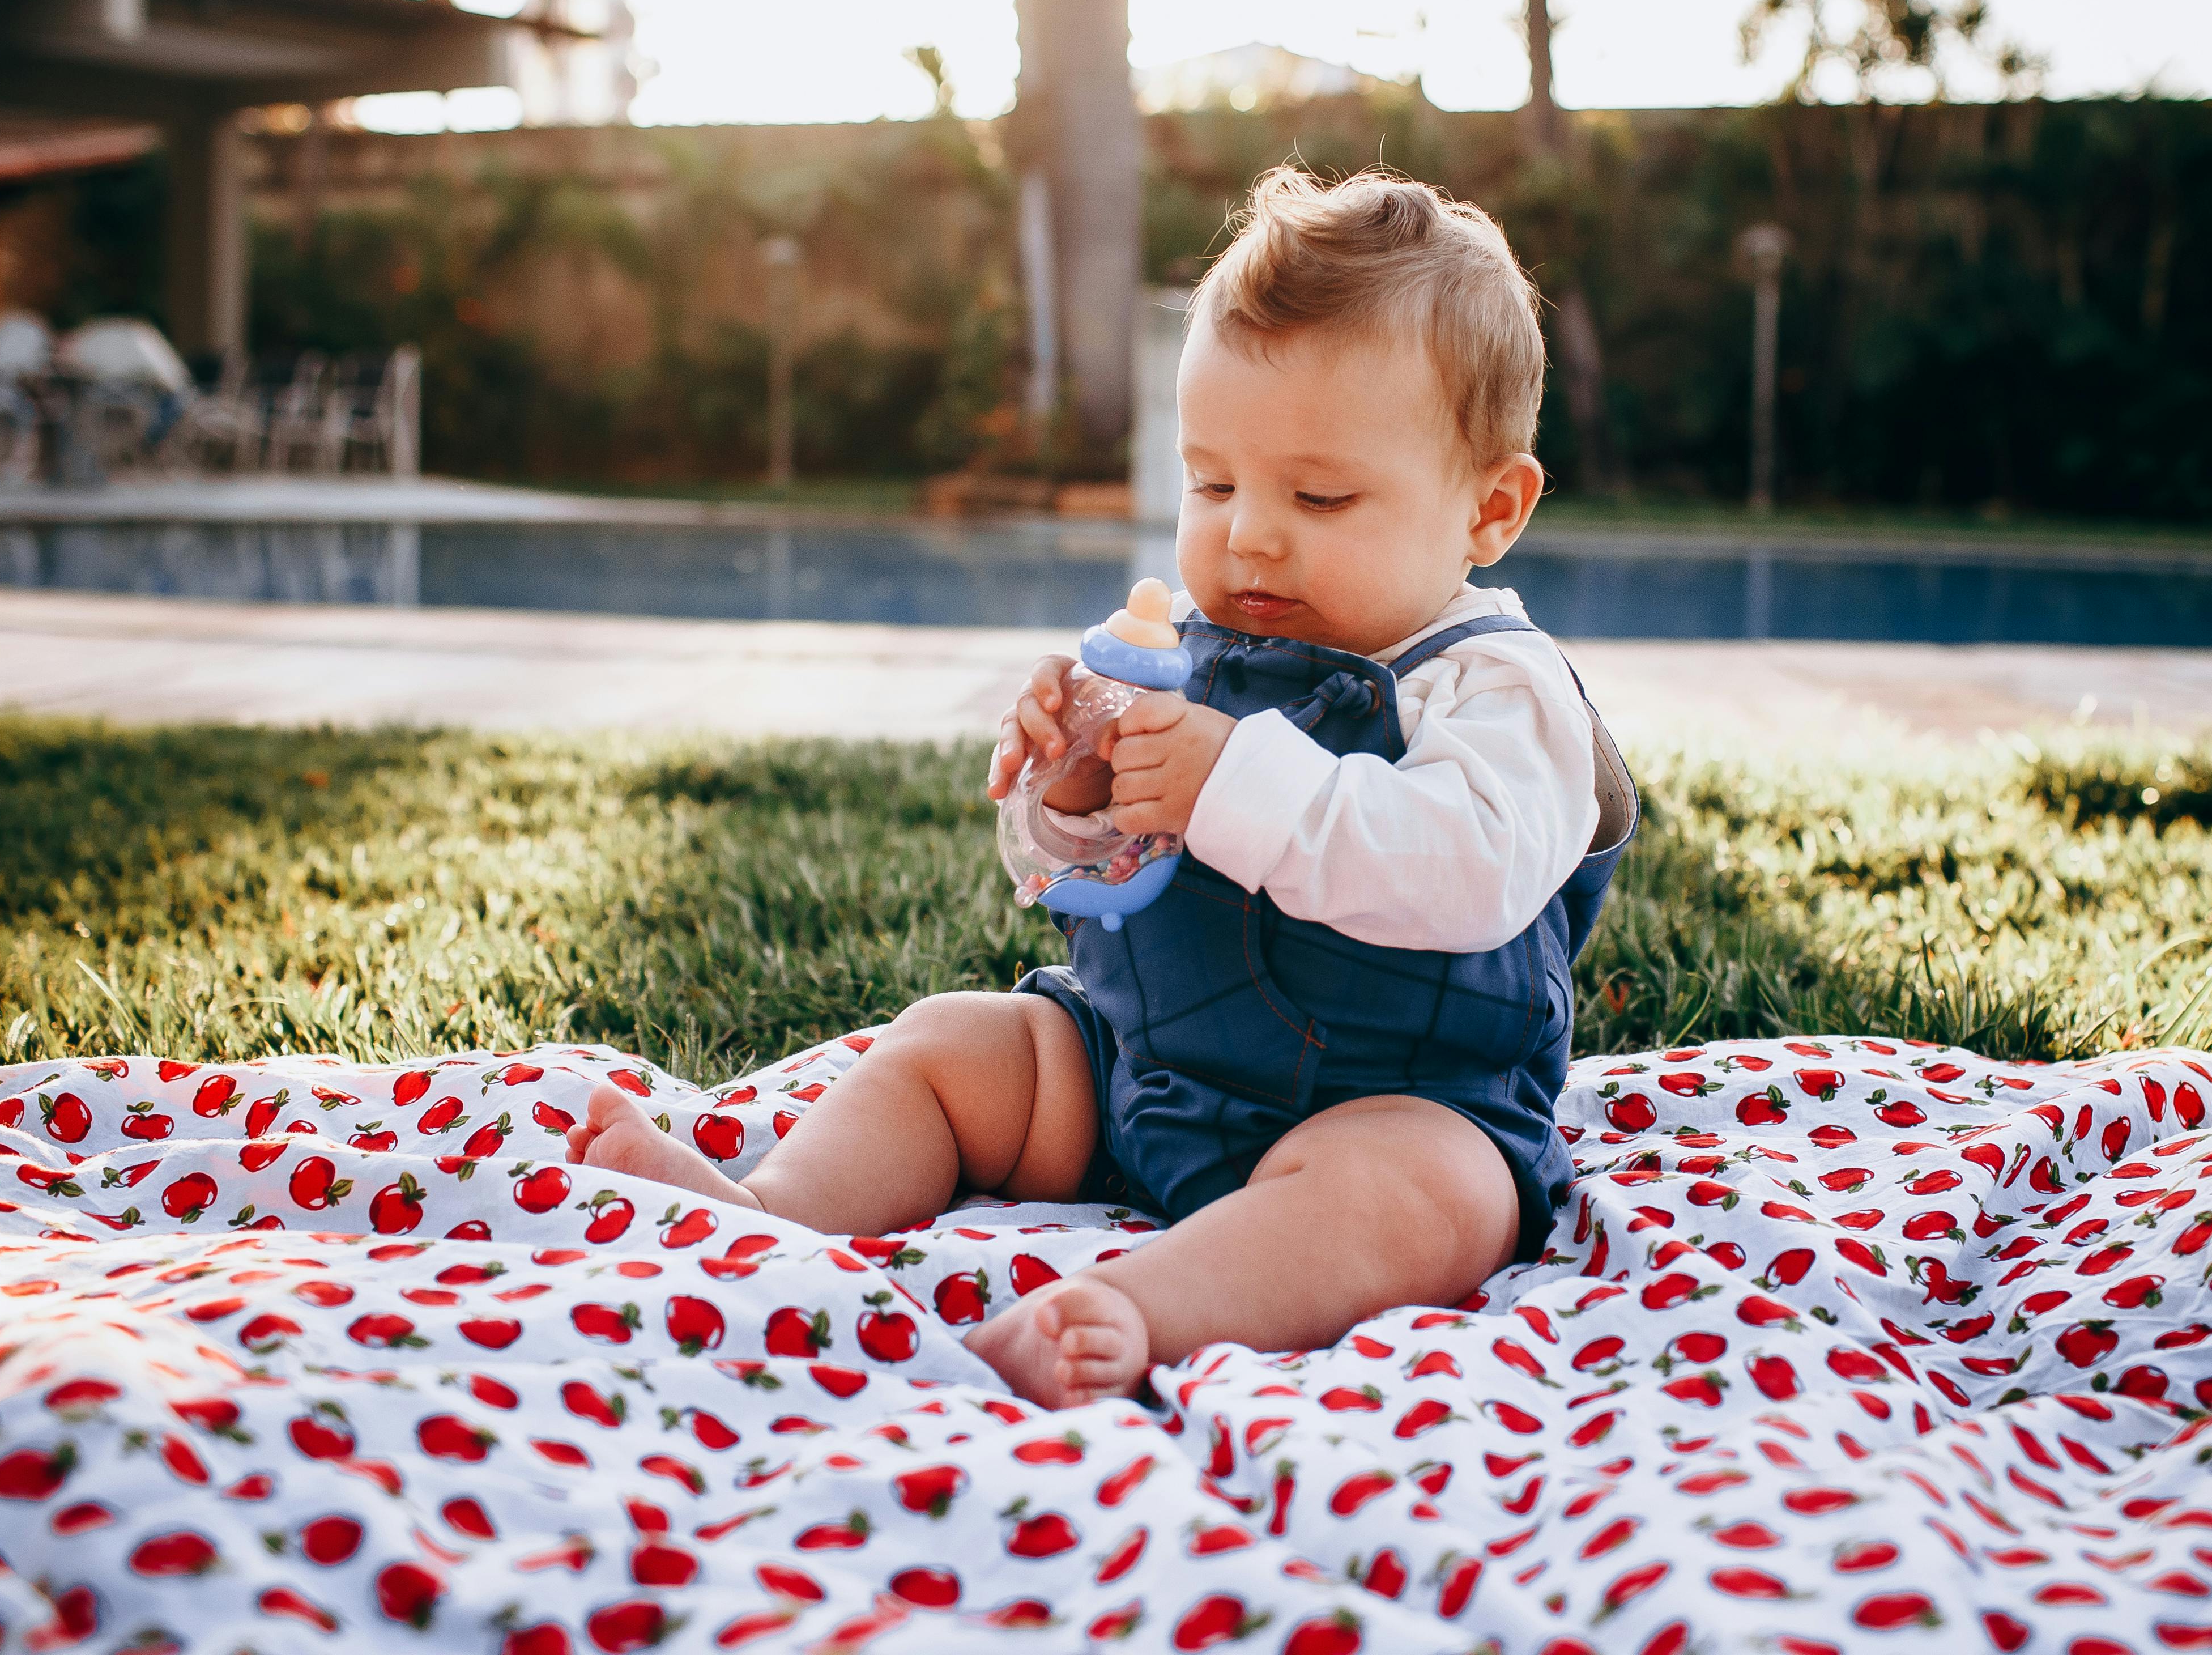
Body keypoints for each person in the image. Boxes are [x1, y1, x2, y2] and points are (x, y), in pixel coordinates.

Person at [571, 165, 1636, 1407]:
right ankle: (772, 1210)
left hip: (1390, 1104)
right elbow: (1077, 882)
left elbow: (1469, 875)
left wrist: (1230, 775)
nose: (1248, 536)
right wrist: (1068, 788)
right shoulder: (1175, 647)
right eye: (1214, 483)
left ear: (1489, 509)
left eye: (1321, 496)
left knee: (1427, 1201)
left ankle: (1139, 1305)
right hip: (1141, 1074)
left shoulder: (1498, 688)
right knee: (957, 1045)